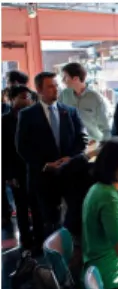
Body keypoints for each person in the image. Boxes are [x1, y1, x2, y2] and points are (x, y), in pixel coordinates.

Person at [16, 71, 89, 253]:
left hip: (69, 174)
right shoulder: (27, 115)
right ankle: (47, 257)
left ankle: (71, 252)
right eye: (50, 86)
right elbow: (22, 146)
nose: (55, 89)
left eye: (56, 85)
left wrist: (70, 158)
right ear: (39, 90)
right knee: (46, 220)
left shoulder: (69, 111)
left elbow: (82, 139)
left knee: (72, 216)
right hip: (42, 176)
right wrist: (44, 165)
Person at [81, 136, 118, 289]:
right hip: (110, 282)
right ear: (115, 167)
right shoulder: (109, 200)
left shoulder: (99, 189)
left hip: (102, 272)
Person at [3, 86, 35, 247]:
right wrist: (8, 176)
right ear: (13, 99)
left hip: (35, 169)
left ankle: (39, 239)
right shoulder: (4, 121)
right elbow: (4, 153)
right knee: (21, 207)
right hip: (17, 171)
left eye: (28, 97)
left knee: (36, 206)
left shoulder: (35, 118)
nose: (26, 100)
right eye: (22, 97)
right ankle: (26, 241)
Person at [58, 62, 112, 142]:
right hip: (70, 143)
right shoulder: (64, 95)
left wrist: (102, 146)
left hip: (92, 143)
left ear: (75, 78)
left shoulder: (96, 98)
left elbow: (106, 129)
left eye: (65, 77)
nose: (63, 81)